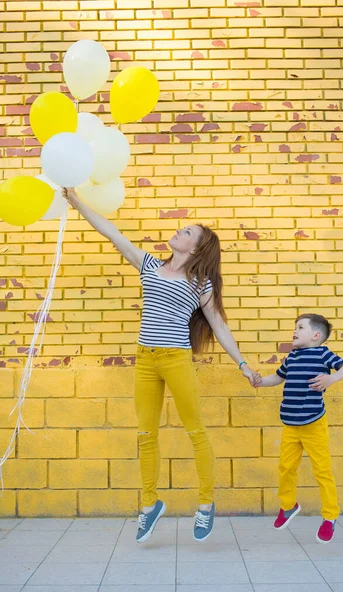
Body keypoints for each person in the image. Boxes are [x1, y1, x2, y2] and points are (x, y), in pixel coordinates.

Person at [62, 188, 260, 543]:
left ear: (196, 248)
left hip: (176, 358)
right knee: (145, 434)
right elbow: (112, 233)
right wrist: (77, 203)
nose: (179, 232)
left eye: (187, 232)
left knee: (195, 430)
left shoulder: (202, 282)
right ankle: (150, 504)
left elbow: (219, 326)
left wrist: (243, 364)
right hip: (145, 359)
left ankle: (205, 504)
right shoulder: (150, 265)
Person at [254, 313, 343, 544]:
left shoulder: (323, 353)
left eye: (300, 327)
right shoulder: (292, 356)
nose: (294, 331)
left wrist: (332, 379)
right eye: (294, 327)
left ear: (316, 335)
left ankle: (330, 516)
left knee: (322, 471)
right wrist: (260, 381)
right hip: (290, 424)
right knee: (286, 468)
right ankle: (288, 506)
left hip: (313, 423)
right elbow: (277, 378)